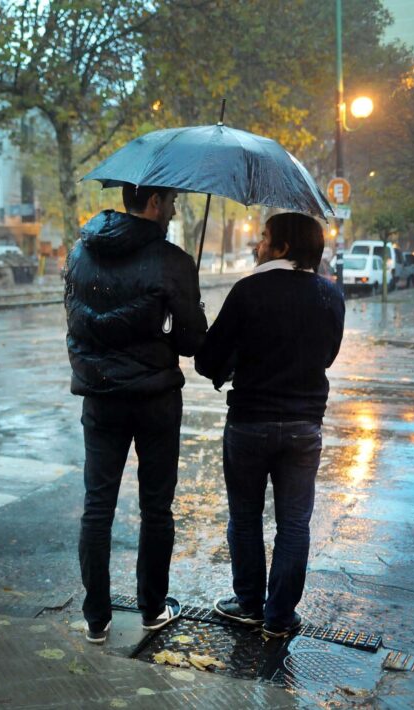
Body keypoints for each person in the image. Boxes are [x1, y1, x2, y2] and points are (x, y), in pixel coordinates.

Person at [64, 184, 207, 644]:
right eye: (171, 202)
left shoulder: (81, 253)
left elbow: (76, 325)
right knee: (156, 508)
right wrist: (186, 307)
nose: (173, 210)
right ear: (153, 203)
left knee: (97, 506)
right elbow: (191, 342)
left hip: (101, 396)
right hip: (155, 401)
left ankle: (96, 619)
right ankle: (151, 609)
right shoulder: (173, 261)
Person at [194, 212, 344, 639]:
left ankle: (248, 605)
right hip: (303, 426)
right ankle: (279, 617)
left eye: (264, 238)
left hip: (249, 423)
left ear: (281, 246)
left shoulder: (248, 290)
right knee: (294, 524)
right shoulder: (330, 296)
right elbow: (328, 355)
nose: (258, 245)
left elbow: (208, 361)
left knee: (245, 518)